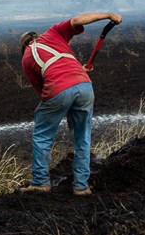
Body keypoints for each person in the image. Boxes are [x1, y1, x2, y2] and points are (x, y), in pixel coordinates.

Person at [19, 13, 122, 196]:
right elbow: (77, 21)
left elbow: (45, 90)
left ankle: (41, 182)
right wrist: (108, 15)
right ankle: (81, 186)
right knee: (83, 137)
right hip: (84, 84)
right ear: (37, 36)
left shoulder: (26, 59)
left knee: (42, 136)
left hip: (59, 89)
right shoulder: (52, 33)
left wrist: (63, 104)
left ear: (24, 46)